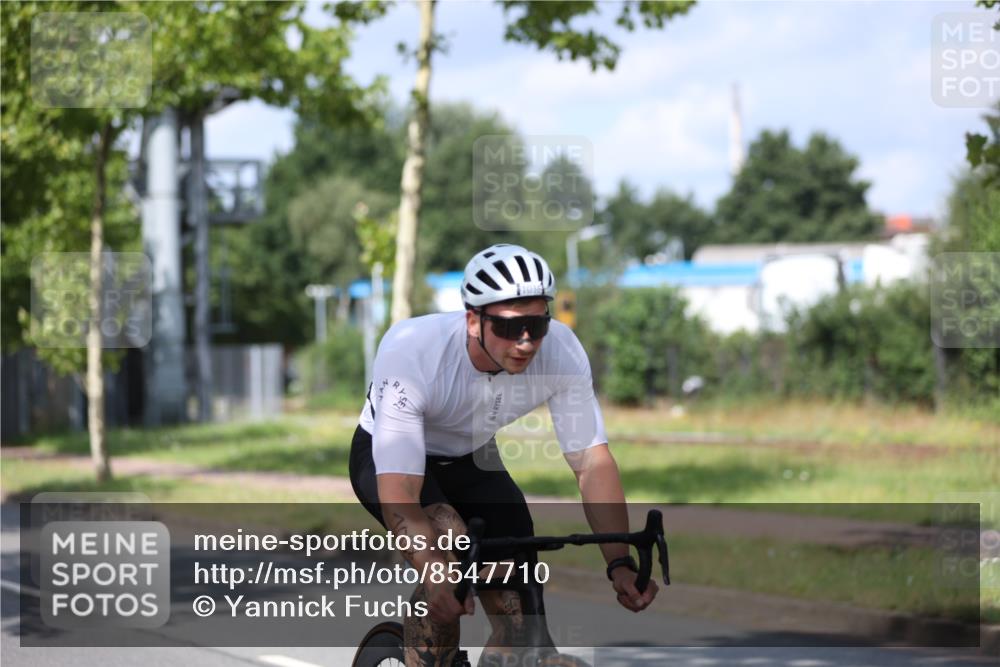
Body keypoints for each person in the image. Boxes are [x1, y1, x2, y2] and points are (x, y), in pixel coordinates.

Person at [349, 244, 658, 666]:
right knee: (451, 544)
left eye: (537, 324)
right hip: (390, 457)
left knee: (519, 601)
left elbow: (591, 463)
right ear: (473, 320)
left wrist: (619, 562)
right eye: (510, 326)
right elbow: (401, 491)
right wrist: (433, 570)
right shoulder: (413, 349)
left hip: (471, 457)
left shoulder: (561, 352)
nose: (526, 342)